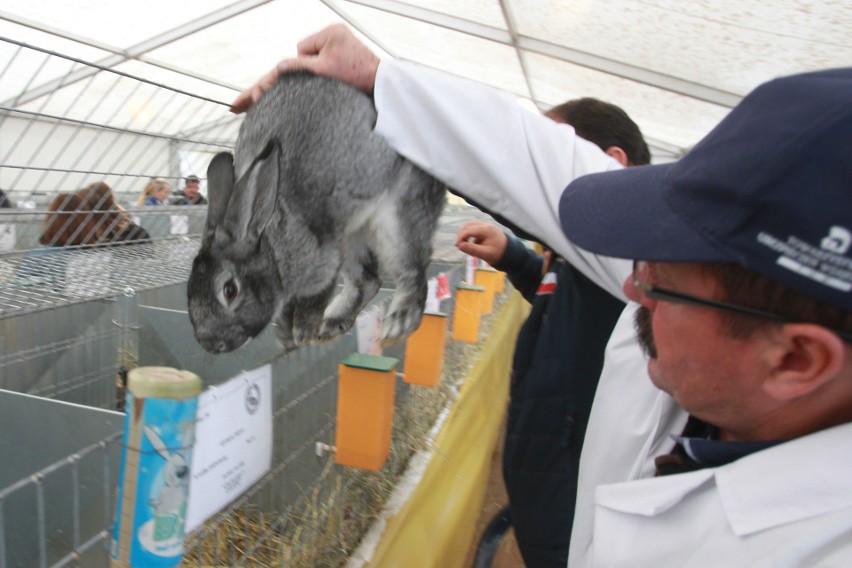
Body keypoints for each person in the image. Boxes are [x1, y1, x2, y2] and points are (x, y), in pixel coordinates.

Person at [234, 26, 851, 564]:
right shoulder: (744, 317)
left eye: (661, 284)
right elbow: (548, 169)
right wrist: (380, 82)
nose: (633, 284)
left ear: (796, 359)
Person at [455, 98, 650, 567]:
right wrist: (513, 257)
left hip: (570, 499)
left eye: (548, 154)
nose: (533, 174)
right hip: (546, 482)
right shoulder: (583, 254)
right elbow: (565, 308)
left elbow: (504, 186)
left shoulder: (623, 245)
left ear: (610, 163)